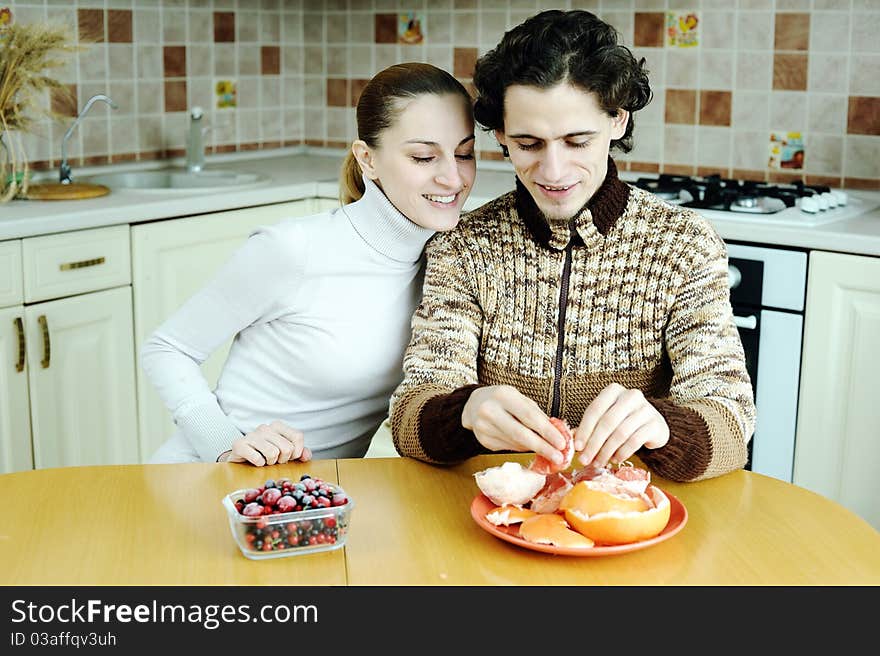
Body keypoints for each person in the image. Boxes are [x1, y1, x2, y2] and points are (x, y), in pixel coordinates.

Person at [389, 10, 756, 482]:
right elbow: (408, 416)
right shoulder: (464, 247)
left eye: (577, 141)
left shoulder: (683, 244)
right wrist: (464, 411)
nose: (554, 171)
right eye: (528, 144)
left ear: (618, 120)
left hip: (631, 520)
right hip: (494, 519)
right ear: (500, 134)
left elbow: (732, 420)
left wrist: (665, 427)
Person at [142, 62, 476, 466]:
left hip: (318, 499)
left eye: (464, 153)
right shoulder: (294, 250)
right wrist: (225, 444)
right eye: (424, 157)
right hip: (213, 478)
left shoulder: (451, 263)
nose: (453, 178)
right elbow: (168, 348)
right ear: (367, 160)